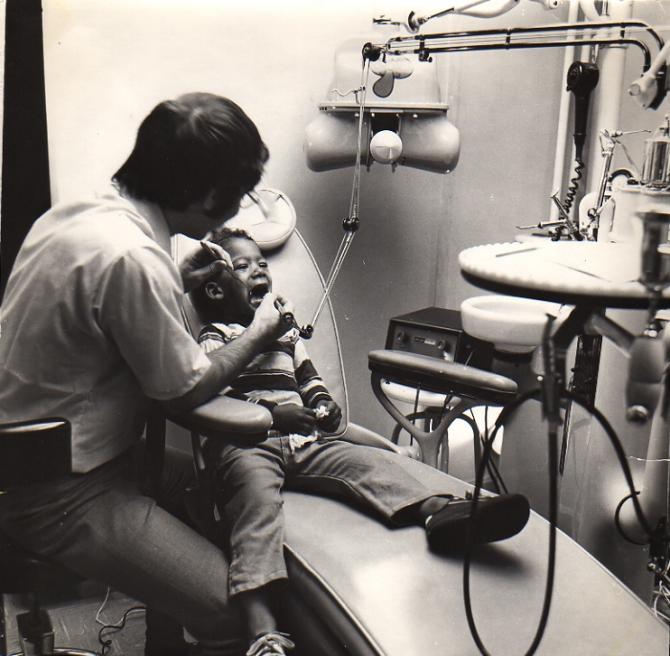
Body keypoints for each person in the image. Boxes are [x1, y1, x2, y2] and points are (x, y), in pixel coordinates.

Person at [0, 93, 290, 656]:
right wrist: (259, 334)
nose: (234, 212)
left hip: (38, 459)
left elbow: (109, 327)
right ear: (208, 195)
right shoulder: (133, 257)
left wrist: (178, 288)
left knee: (219, 486)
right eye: (234, 197)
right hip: (61, 490)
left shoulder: (81, 214)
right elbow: (183, 390)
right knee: (227, 606)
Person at [192, 227, 531, 656]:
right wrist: (274, 413)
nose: (259, 270)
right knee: (255, 510)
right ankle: (263, 632)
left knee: (367, 463)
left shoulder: (285, 334)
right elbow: (212, 392)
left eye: (262, 263)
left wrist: (322, 405)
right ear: (216, 291)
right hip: (246, 446)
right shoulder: (218, 336)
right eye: (243, 266)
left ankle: (439, 512)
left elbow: (307, 376)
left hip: (303, 439)